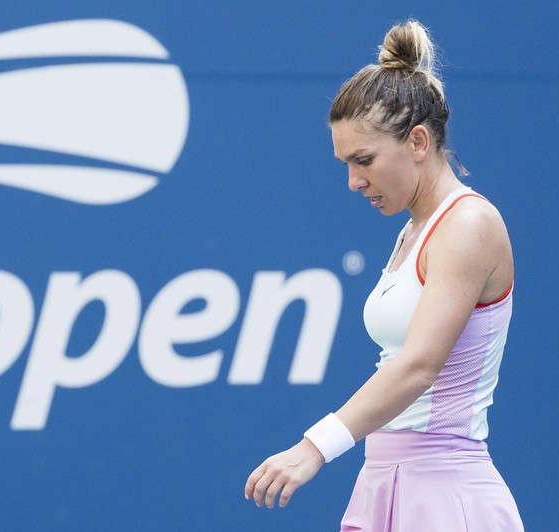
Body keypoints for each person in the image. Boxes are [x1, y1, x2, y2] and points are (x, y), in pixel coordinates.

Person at [243, 19, 524, 531]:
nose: (354, 182)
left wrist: (315, 447)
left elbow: (419, 366)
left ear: (418, 141)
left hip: (446, 493)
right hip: (386, 480)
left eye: (364, 160)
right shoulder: (412, 232)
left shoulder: (468, 224)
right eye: (345, 164)